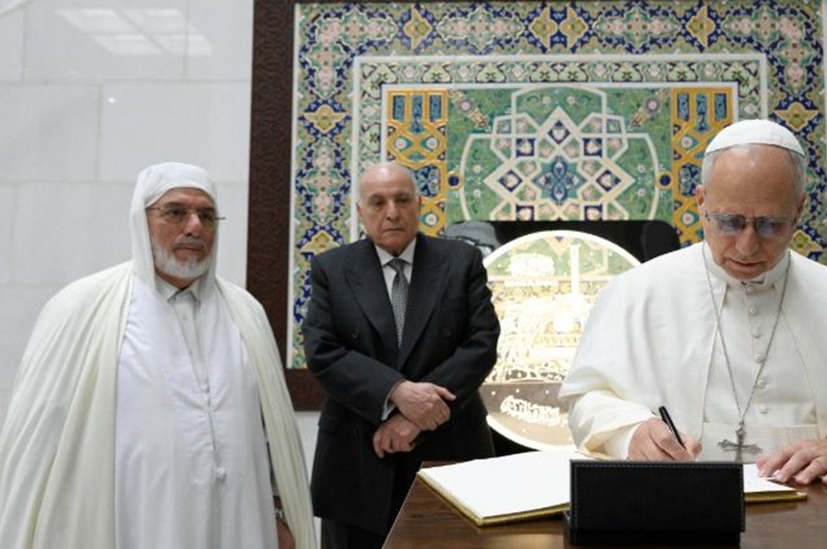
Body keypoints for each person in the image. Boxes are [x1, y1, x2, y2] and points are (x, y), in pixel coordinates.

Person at [559, 120, 827, 504]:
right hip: (672, 515)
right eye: (729, 222)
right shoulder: (635, 294)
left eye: (770, 225)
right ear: (701, 202)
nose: (747, 246)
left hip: (815, 522)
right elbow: (587, 401)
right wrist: (631, 432)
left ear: (799, 210)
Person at [0, 162, 316, 548]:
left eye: (207, 215)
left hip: (237, 523)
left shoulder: (245, 313)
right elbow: (39, 445)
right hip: (130, 524)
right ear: (141, 219)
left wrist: (279, 510)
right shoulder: (81, 309)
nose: (195, 226)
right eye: (176, 212)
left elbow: (271, 434)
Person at [304, 162, 500, 548]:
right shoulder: (332, 268)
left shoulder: (460, 262)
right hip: (357, 459)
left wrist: (417, 417)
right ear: (360, 211)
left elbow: (482, 342)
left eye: (402, 200)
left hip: (450, 452)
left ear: (419, 204)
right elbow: (322, 351)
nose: (391, 212)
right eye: (378, 202)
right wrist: (396, 392)